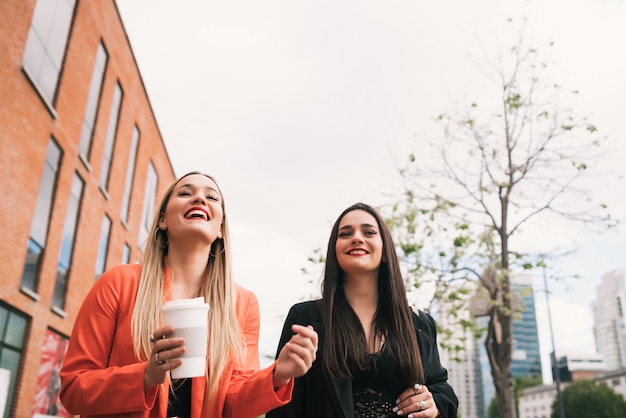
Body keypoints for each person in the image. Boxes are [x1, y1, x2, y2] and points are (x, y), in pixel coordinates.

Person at [60, 172, 318, 418]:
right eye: (185, 193)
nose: (199, 198)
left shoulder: (243, 304)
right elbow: (73, 389)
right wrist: (146, 377)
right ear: (162, 220)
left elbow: (232, 405)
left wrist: (277, 376)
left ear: (220, 228)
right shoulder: (118, 283)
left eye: (212, 197)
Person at [267, 202, 458, 418]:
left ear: (385, 250)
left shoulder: (420, 324)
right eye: (345, 234)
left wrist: (434, 404)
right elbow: (284, 406)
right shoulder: (306, 319)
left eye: (369, 232)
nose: (357, 238)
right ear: (335, 251)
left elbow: (441, 387)